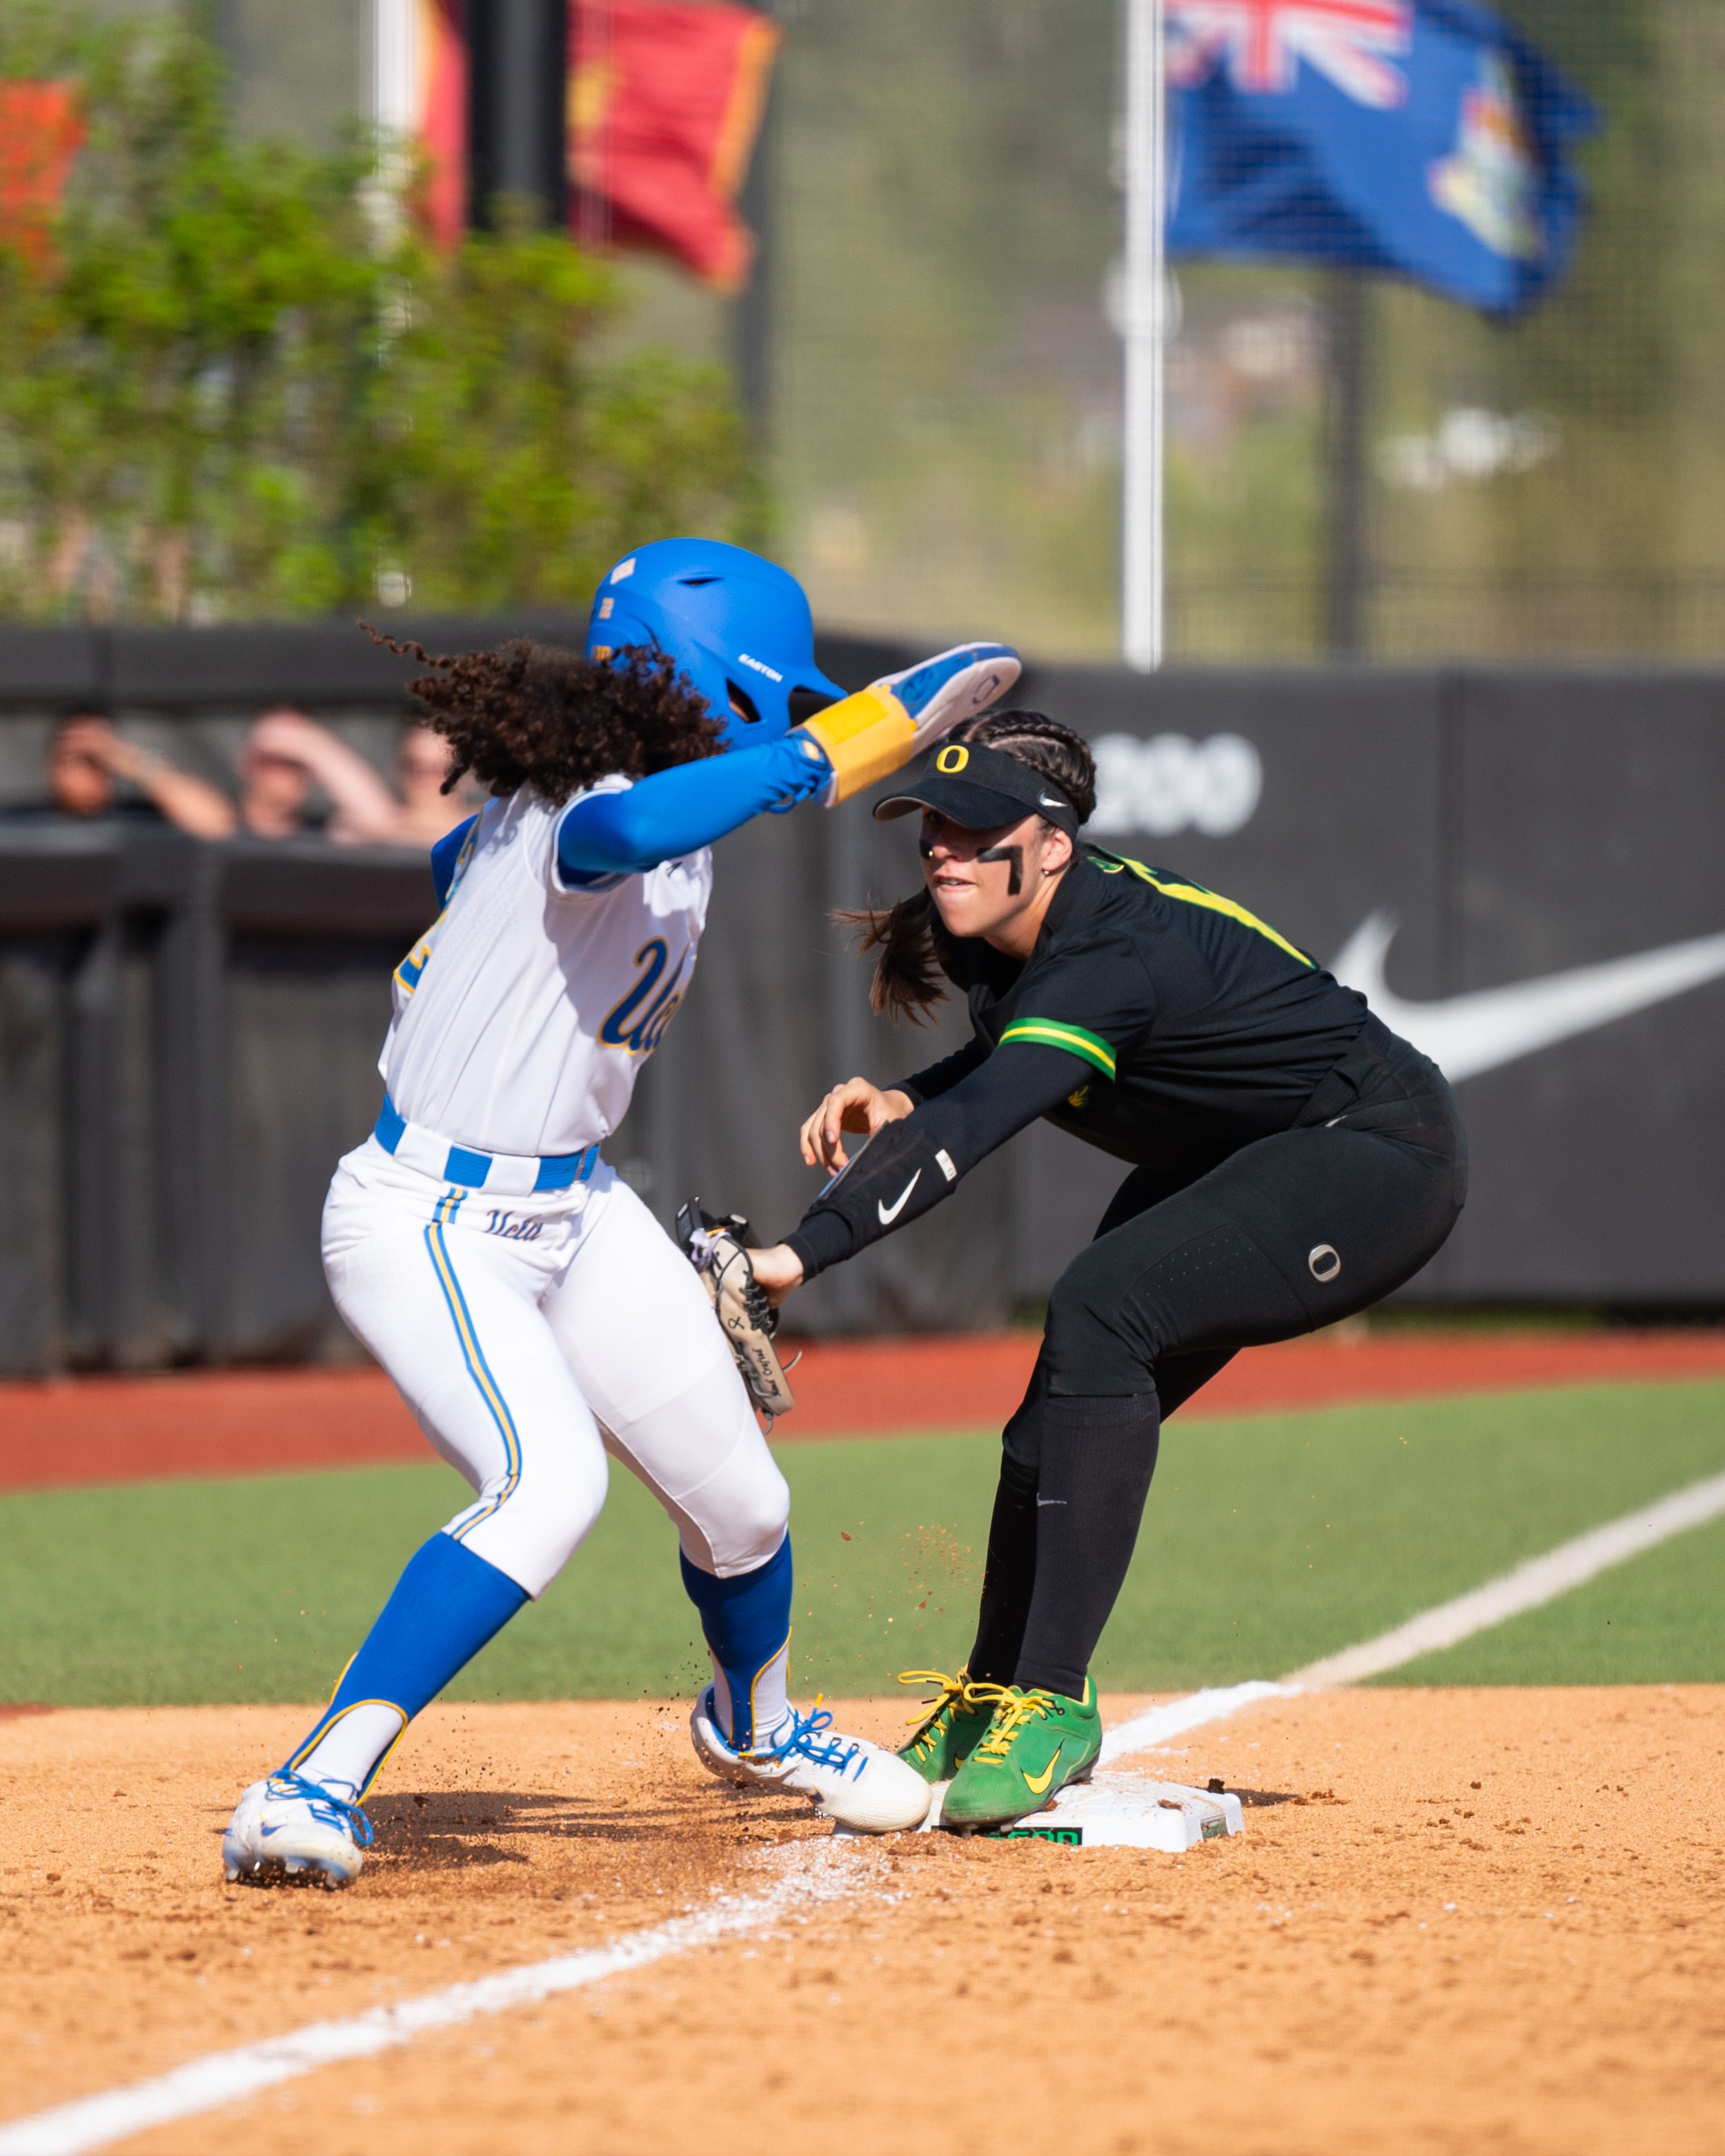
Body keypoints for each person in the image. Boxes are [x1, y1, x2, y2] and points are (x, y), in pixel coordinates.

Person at [219, 538, 992, 1887]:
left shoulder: (588, 794)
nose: (794, 717)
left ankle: (754, 1727)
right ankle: (305, 1781)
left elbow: (478, 857)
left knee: (744, 1504)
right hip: (429, 1214)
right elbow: (612, 832)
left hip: (574, 1210)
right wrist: (814, 761)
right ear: (714, 677)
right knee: (547, 1482)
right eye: (779, 695)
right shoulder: (591, 792)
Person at [745, 711, 1467, 1833]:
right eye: (933, 822)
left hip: (1373, 1156)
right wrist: (906, 1098)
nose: (942, 847)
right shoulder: (1017, 927)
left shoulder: (1114, 953)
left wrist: (799, 1254)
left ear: (1052, 845)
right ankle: (996, 1696)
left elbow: (984, 1121)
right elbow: (993, 1072)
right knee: (1050, 1418)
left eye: (974, 826)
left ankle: (1054, 1704)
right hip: (1244, 1153)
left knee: (1102, 1308)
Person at [6, 712, 236, 838]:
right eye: (80, 759)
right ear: (52, 767)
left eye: (101, 760)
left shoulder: (138, 819)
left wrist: (137, 763)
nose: (92, 773)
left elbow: (218, 827)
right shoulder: (23, 825)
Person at [235, 707, 403, 842]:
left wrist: (313, 745)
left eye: (301, 761)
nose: (294, 773)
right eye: (280, 760)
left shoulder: (321, 831)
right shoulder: (226, 822)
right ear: (247, 764)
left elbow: (379, 822)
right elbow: (215, 824)